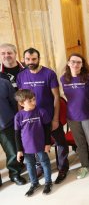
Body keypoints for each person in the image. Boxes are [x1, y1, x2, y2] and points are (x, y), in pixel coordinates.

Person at [17, 48, 69, 184]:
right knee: (36, 144)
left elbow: (56, 97)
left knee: (61, 143)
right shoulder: (21, 75)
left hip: (48, 117)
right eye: (27, 59)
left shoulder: (49, 74)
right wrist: (21, 117)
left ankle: (63, 168)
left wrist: (56, 119)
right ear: (24, 59)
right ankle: (40, 167)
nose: (30, 62)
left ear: (39, 58)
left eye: (34, 59)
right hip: (30, 120)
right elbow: (20, 99)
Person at [60, 53, 89, 179]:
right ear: (68, 63)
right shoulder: (63, 79)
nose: (76, 64)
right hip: (72, 116)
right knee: (80, 143)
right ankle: (84, 165)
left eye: (79, 62)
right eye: (73, 61)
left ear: (82, 64)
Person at [14, 89, 52, 196]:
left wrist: (47, 143)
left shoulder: (41, 112)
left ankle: (48, 182)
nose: (33, 102)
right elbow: (17, 134)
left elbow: (47, 129)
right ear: (21, 103)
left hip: (41, 144)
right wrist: (19, 150)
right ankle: (34, 183)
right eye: (30, 101)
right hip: (26, 147)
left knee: (44, 162)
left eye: (34, 99)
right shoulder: (18, 116)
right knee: (30, 165)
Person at [0, 78, 26, 187]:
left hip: (6, 124)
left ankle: (15, 174)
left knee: (13, 152)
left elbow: (14, 103)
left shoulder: (4, 83)